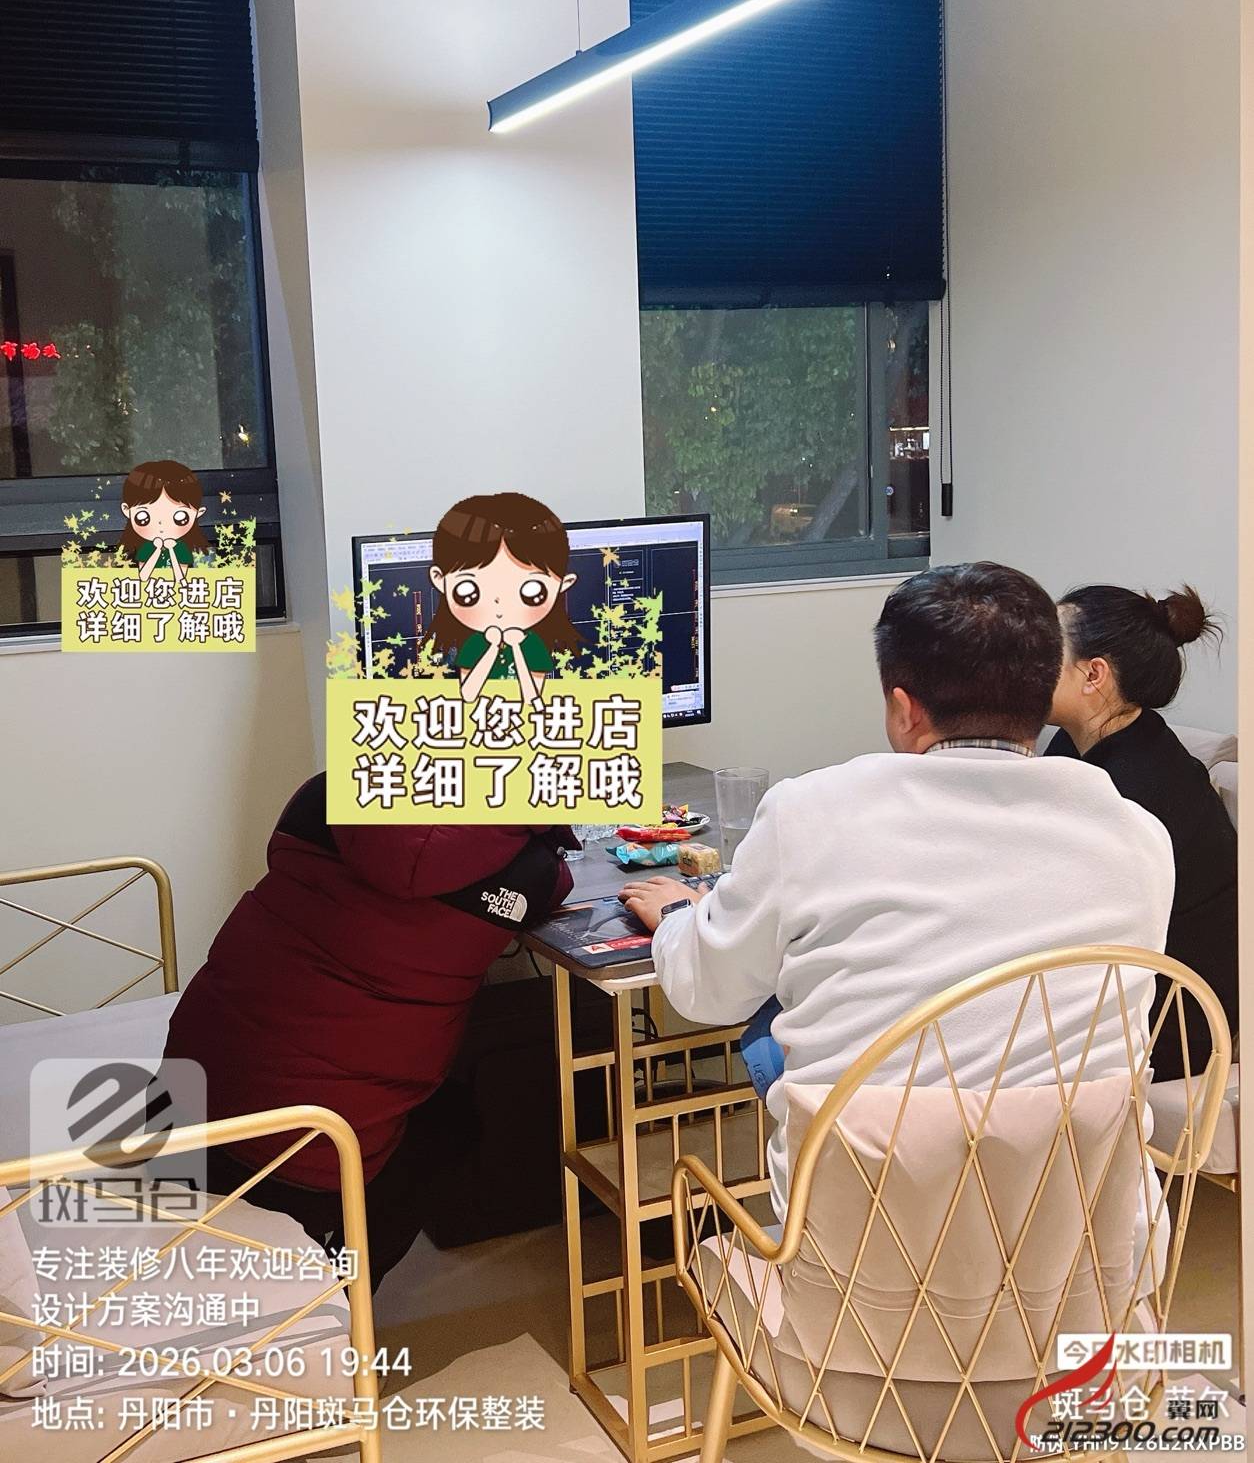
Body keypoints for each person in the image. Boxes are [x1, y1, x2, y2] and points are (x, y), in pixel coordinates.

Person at [619, 561, 1174, 1220]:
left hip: (863, 1257)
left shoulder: (809, 813)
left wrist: (681, 916)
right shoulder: (1140, 837)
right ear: (1040, 697)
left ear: (904, 709)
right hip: (1088, 1244)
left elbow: (709, 993)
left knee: (769, 1029)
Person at [161, 775, 573, 1286]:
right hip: (296, 1158)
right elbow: (554, 879)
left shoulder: (322, 795)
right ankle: (340, 1293)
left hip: (180, 1101)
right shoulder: (532, 875)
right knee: (452, 1120)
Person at [1045, 584, 1236, 1079]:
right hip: (1121, 981)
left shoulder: (1140, 785)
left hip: (1176, 1021)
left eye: (1044, 649)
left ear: (1094, 675)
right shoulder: (1076, 742)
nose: (1025, 664)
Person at [423, 492, 582, 704]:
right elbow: (468, 695)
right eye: (468, 591)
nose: (500, 605)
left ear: (563, 584)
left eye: (532, 592)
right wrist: (492, 648)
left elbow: (532, 698)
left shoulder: (533, 645)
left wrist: (516, 648)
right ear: (439, 580)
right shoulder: (474, 644)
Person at [119, 458, 210, 587]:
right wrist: (156, 550)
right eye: (144, 517)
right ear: (127, 511)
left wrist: (172, 550)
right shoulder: (146, 547)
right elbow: (143, 576)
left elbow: (180, 579)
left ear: (198, 513)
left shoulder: (181, 548)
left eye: (180, 517)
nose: (161, 524)